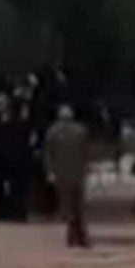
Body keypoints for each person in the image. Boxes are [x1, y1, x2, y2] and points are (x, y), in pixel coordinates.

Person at [44, 104, 92, 249]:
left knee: (67, 204)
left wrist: (50, 171)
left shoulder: (52, 131)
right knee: (77, 205)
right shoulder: (80, 131)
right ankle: (78, 235)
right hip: (77, 172)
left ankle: (73, 234)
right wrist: (86, 168)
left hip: (61, 173)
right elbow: (86, 152)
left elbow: (48, 154)